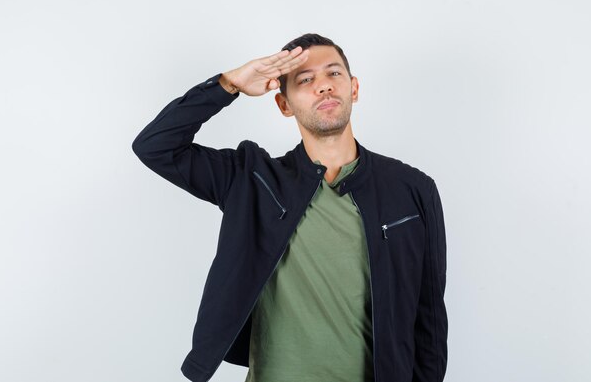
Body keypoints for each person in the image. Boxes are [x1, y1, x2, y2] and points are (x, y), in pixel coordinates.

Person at [132, 33, 448, 382]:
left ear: (354, 88)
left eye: (333, 74)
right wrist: (229, 84)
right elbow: (156, 147)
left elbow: (428, 320)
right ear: (284, 104)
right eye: (306, 80)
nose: (324, 87)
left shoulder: (412, 189)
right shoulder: (252, 180)